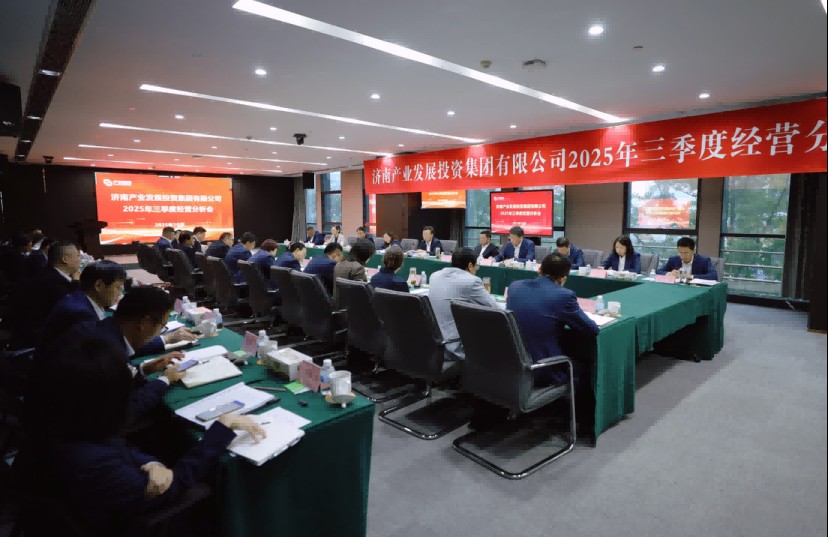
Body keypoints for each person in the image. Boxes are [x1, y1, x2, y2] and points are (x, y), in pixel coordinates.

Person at [22, 336, 265, 537]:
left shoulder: (63, 421)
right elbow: (171, 488)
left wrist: (150, 463)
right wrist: (222, 429)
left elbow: (114, 443)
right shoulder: (92, 462)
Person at [507, 253, 600, 386]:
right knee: (584, 365)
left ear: (539, 269)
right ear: (563, 279)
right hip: (541, 369)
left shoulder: (514, 287)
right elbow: (592, 330)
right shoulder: (563, 296)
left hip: (512, 364)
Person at [428, 247, 500, 361]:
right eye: (476, 266)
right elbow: (497, 310)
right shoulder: (471, 281)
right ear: (470, 266)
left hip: (432, 342)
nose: (476, 270)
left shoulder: (434, 276)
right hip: (453, 346)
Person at [10, 241, 82, 348]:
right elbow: (77, 310)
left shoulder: (49, 273)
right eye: (77, 256)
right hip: (43, 340)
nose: (80, 259)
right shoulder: (55, 284)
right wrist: (76, 282)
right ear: (65, 259)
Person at [333, 239, 373, 304]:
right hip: (351, 306)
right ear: (366, 255)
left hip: (338, 303)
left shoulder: (339, 263)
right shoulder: (358, 268)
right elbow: (362, 294)